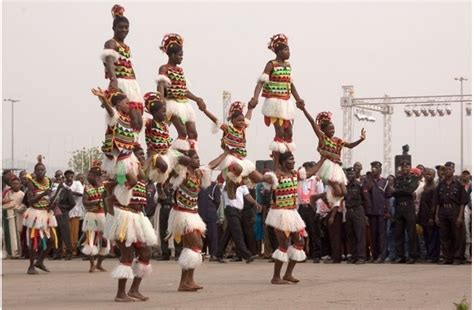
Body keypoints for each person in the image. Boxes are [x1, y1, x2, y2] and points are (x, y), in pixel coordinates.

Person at [104, 144, 158, 302]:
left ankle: (134, 290)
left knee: (146, 253)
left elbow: (149, 165)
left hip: (138, 217)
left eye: (143, 154)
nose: (142, 157)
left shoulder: (140, 170)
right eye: (139, 154)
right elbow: (118, 182)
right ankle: (120, 294)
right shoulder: (123, 167)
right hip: (124, 217)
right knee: (127, 255)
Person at [264, 152, 320, 284]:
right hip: (279, 214)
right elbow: (265, 178)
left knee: (299, 243)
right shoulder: (277, 175)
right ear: (283, 162)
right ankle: (276, 277)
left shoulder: (295, 174)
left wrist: (323, 159)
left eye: (294, 159)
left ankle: (288, 274)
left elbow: (311, 172)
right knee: (283, 244)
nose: (293, 161)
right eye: (290, 159)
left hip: (293, 213)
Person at [297, 102, 366, 207]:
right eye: (330, 129)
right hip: (327, 166)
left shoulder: (338, 140)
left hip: (337, 167)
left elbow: (351, 145)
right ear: (323, 130)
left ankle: (319, 197)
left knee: (344, 192)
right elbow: (312, 122)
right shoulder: (322, 138)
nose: (332, 131)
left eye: (333, 128)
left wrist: (361, 139)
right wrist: (304, 109)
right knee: (338, 192)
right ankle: (317, 197)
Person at [248, 34, 304, 160]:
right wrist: (255, 98)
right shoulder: (271, 64)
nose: (288, 52)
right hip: (274, 103)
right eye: (286, 50)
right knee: (280, 132)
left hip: (286, 102)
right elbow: (261, 82)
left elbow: (290, 84)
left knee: (289, 132)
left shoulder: (288, 66)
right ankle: (277, 164)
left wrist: (298, 99)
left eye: (289, 50)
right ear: (278, 52)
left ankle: (288, 158)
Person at [200, 101, 274, 196]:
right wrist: (205, 110)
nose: (241, 122)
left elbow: (248, 118)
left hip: (242, 159)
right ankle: (229, 187)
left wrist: (250, 108)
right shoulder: (228, 129)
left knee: (260, 178)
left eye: (242, 120)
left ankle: (274, 183)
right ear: (233, 121)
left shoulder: (243, 129)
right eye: (239, 120)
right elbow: (215, 120)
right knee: (237, 168)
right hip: (231, 158)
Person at [166, 150, 213, 291]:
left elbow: (212, 165)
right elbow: (171, 170)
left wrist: (227, 153)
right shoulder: (181, 173)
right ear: (188, 160)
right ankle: (186, 281)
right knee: (197, 244)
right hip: (181, 214)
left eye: (198, 157)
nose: (198, 160)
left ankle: (187, 282)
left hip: (193, 214)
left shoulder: (199, 174)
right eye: (195, 158)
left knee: (190, 248)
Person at [156, 33, 207, 152]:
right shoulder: (164, 68)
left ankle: (191, 157)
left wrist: (197, 99)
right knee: (183, 133)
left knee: (193, 134)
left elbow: (183, 90)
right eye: (180, 55)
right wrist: (160, 101)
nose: (181, 58)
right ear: (172, 55)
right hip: (172, 105)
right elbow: (160, 86)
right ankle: (176, 157)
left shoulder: (180, 70)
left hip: (185, 105)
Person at [92, 87, 139, 206]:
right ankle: (112, 197)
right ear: (118, 104)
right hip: (119, 159)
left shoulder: (127, 119)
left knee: (127, 180)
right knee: (133, 181)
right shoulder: (115, 116)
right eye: (126, 103)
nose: (129, 105)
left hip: (128, 156)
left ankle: (111, 189)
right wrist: (103, 99)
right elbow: (109, 109)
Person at [101, 4, 143, 132]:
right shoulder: (111, 43)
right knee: (126, 116)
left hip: (132, 83)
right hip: (120, 82)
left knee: (138, 119)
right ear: (114, 27)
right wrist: (113, 79)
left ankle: (133, 144)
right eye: (121, 27)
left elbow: (129, 65)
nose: (124, 30)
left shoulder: (127, 47)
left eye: (126, 27)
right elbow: (109, 61)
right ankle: (122, 145)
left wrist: (136, 83)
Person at [143, 91, 183, 199]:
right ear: (155, 113)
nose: (165, 114)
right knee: (164, 166)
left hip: (167, 152)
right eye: (162, 112)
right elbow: (140, 120)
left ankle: (166, 184)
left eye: (165, 112)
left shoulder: (164, 124)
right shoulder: (150, 123)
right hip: (155, 154)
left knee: (185, 160)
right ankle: (152, 183)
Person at [23, 156, 57, 274]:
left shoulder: (49, 181)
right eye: (38, 170)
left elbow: (50, 196)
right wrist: (43, 194)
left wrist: (53, 202)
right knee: (34, 239)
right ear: (34, 172)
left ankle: (40, 261)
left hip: (46, 213)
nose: (40, 172)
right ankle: (31, 266)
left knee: (52, 240)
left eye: (42, 170)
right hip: (35, 213)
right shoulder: (31, 183)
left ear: (45, 171)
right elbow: (31, 201)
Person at [435, 162, 469, 265]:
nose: (447, 171)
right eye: (446, 169)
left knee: (457, 235)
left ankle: (457, 257)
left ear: (453, 170)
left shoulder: (458, 184)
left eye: (450, 169)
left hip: (455, 211)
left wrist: (460, 216)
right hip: (443, 211)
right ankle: (447, 257)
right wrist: (436, 215)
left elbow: (463, 202)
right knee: (445, 235)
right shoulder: (441, 184)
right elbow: (437, 202)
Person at [216, 184, 260, 263]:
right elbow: (226, 190)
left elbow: (247, 195)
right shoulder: (227, 184)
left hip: (239, 212)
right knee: (238, 234)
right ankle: (247, 255)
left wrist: (255, 203)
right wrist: (233, 182)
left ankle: (219, 253)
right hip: (231, 211)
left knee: (227, 234)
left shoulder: (242, 186)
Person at [81, 161, 109, 272]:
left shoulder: (105, 186)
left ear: (96, 176)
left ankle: (99, 264)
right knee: (90, 240)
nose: (88, 177)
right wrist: (95, 203)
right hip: (91, 215)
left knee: (105, 241)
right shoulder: (87, 188)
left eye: (90, 175)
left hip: (103, 215)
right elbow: (85, 202)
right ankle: (92, 264)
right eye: (88, 175)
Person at [392, 160, 419, 264]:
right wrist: (403, 191)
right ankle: (400, 256)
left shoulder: (414, 178)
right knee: (399, 233)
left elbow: (410, 190)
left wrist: (400, 191)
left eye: (407, 167)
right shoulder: (397, 179)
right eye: (403, 167)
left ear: (409, 168)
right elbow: (394, 192)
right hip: (399, 207)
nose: (404, 168)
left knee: (411, 233)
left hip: (409, 207)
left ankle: (413, 256)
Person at [365, 161, 391, 263]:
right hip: (371, 212)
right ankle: (375, 255)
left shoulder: (384, 182)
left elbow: (388, 197)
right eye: (372, 167)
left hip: (382, 212)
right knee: (373, 235)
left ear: (380, 170)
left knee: (382, 235)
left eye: (376, 168)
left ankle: (382, 255)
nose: (373, 169)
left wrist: (388, 211)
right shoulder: (367, 182)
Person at [344, 167, 368, 264]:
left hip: (358, 210)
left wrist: (365, 214)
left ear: (355, 174)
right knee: (351, 234)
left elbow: (366, 200)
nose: (350, 175)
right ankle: (353, 256)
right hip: (349, 211)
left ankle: (361, 257)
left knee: (360, 234)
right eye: (349, 174)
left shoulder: (359, 185)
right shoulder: (346, 186)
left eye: (352, 173)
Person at [51, 171, 76, 260]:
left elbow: (72, 203)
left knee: (66, 234)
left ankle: (69, 253)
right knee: (56, 234)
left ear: (63, 180)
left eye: (61, 179)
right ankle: (57, 253)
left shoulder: (66, 190)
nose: (59, 181)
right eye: (57, 179)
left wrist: (65, 209)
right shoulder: (52, 189)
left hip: (63, 213)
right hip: (54, 214)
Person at [417, 168, 439, 263]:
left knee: (432, 238)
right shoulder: (425, 187)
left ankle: (433, 256)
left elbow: (434, 204)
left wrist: (431, 217)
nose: (428, 176)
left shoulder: (434, 188)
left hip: (430, 216)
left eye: (430, 174)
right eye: (427, 174)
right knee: (426, 237)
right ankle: (428, 255)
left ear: (434, 176)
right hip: (423, 216)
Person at [197, 179, 222, 261]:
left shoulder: (214, 186)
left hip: (211, 214)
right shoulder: (198, 184)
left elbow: (217, 201)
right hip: (200, 214)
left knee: (213, 235)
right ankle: (201, 254)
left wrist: (212, 209)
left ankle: (213, 254)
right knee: (201, 236)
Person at [2, 176, 25, 258]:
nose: (15, 185)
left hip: (18, 217)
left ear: (20, 185)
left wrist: (16, 208)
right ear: (11, 185)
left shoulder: (22, 194)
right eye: (14, 184)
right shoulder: (8, 193)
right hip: (9, 217)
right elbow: (5, 204)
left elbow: (24, 206)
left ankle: (17, 253)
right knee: (8, 235)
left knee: (18, 235)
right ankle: (8, 252)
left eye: (17, 184)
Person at [63, 170, 84, 257]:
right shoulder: (62, 184)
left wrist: (70, 192)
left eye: (71, 175)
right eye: (68, 175)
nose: (70, 177)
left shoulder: (77, 183)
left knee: (74, 232)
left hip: (75, 210)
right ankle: (65, 251)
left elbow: (81, 194)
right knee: (65, 232)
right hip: (65, 211)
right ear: (65, 176)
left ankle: (74, 251)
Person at [460, 170, 471, 262]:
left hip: (470, 209)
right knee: (464, 232)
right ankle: (464, 254)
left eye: (467, 174)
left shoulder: (471, 186)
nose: (465, 176)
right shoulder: (458, 185)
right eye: (463, 174)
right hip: (462, 210)